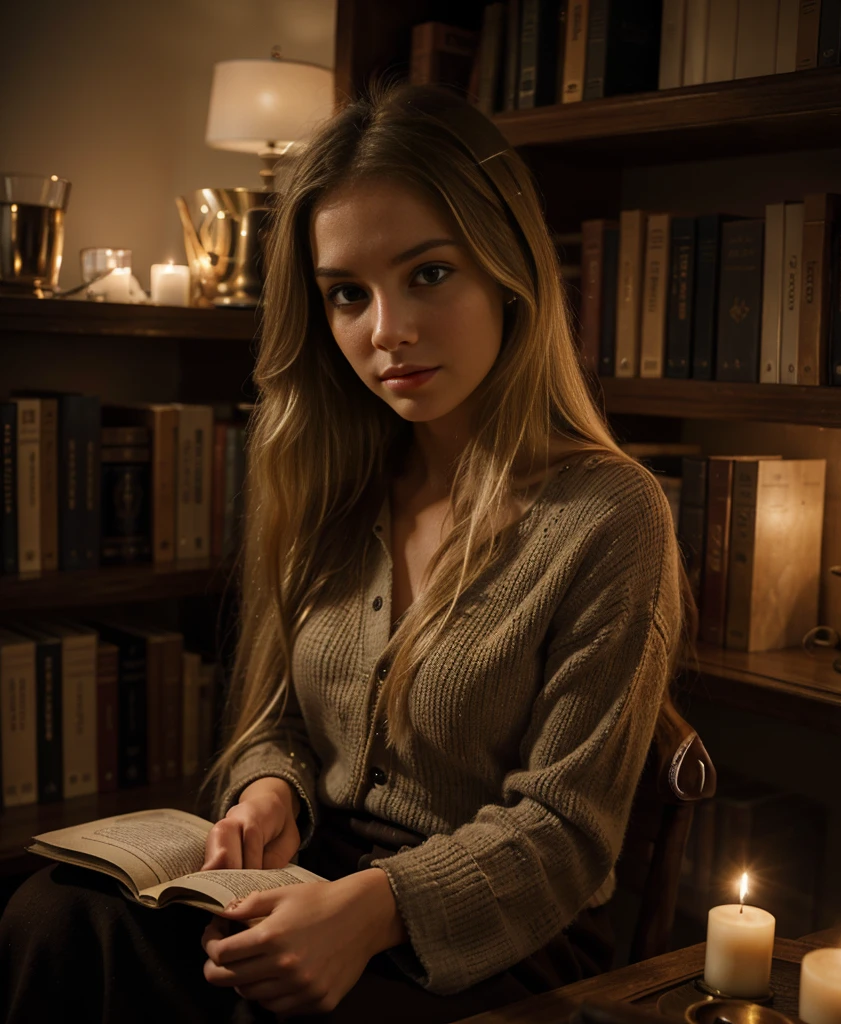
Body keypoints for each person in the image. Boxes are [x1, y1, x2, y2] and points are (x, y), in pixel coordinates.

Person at [0, 82, 688, 1024]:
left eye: (429, 275)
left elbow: (567, 834)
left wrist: (372, 912)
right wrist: (267, 792)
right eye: (347, 295)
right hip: (315, 874)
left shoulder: (609, 514)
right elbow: (277, 721)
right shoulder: (335, 482)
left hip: (499, 933)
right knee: (53, 917)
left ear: (508, 267)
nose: (386, 332)